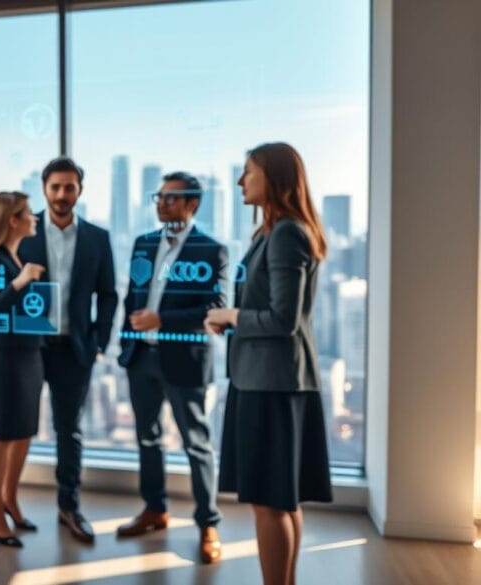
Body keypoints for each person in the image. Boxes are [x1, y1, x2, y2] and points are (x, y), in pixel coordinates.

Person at [206, 142, 333, 585]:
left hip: (272, 383)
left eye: (248, 172)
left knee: (269, 501)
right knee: (282, 499)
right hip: (269, 378)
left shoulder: (286, 234)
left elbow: (284, 319)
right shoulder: (274, 232)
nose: (241, 181)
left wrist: (231, 316)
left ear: (274, 179)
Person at [115, 172, 228, 563]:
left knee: (197, 444)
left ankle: (208, 524)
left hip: (185, 358)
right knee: (148, 438)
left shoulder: (211, 250)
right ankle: (155, 509)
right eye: (158, 197)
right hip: (141, 358)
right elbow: (131, 296)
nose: (162, 204)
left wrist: (160, 318)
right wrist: (125, 342)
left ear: (192, 204)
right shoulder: (143, 243)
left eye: (171, 198)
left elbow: (214, 310)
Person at [18, 156, 117, 543]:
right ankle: (6, 504)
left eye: (69, 187)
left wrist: (98, 343)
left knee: (68, 431)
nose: (62, 194)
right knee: (16, 429)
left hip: (74, 349)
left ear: (80, 190)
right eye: (55, 187)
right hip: (29, 347)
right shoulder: (24, 232)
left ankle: (69, 507)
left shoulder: (97, 237)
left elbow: (108, 295)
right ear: (44, 189)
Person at [0, 191, 45, 548]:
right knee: (4, 434)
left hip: (28, 355)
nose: (36, 218)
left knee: (24, 432)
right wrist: (22, 282)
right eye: (29, 213)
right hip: (4, 358)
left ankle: (10, 500)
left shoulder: (18, 256)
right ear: (12, 220)